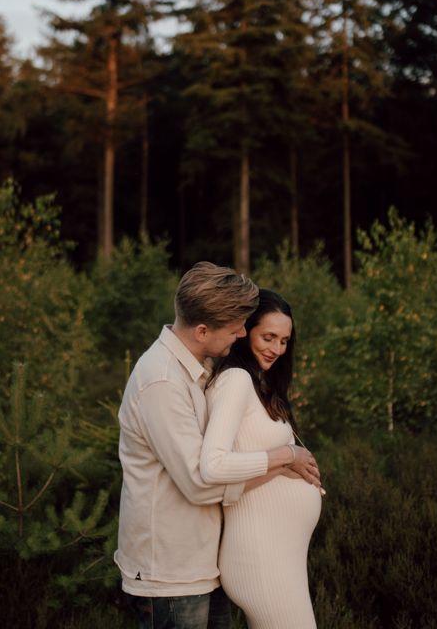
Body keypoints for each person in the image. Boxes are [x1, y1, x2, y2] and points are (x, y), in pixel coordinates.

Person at [116, 263, 321, 629]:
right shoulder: (162, 381)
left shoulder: (195, 371)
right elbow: (200, 482)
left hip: (201, 565)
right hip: (171, 574)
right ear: (201, 330)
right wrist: (284, 459)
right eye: (235, 328)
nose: (242, 333)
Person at [200, 289, 322, 629]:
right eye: (268, 337)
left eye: (284, 341)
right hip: (260, 557)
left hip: (281, 556)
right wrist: (286, 458)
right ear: (245, 331)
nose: (276, 349)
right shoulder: (236, 381)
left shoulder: (259, 383)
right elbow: (215, 465)